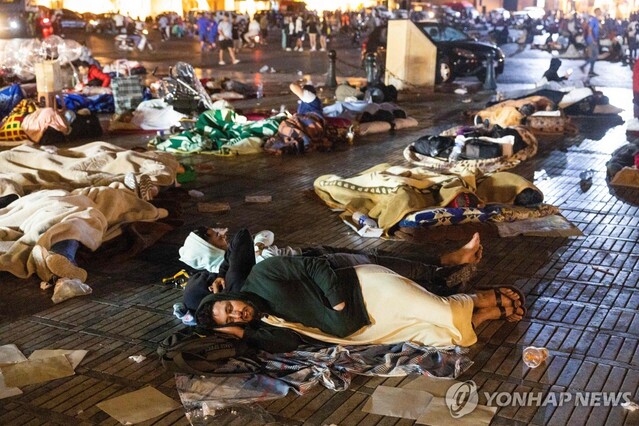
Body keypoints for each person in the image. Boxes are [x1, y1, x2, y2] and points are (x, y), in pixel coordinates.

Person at [195, 256, 525, 354]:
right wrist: (241, 332)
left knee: (440, 311)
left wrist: (336, 301)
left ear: (228, 297)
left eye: (229, 307)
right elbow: (289, 342)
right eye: (230, 319)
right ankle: (487, 313)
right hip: (367, 327)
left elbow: (314, 265)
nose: (237, 313)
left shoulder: (263, 273)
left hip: (367, 289)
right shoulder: (265, 325)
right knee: (437, 337)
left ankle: (479, 298)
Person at [179, 227, 484, 314]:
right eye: (214, 236)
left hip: (315, 257)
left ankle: (448, 262)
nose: (222, 232)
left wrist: (222, 269)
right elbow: (242, 237)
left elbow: (241, 238)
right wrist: (226, 273)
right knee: (384, 266)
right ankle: (446, 272)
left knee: (380, 259)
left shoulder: (229, 275)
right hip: (321, 268)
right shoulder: (235, 281)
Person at [579, 8, 602, 77]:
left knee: (594, 55)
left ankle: (590, 70)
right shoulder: (594, 20)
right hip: (591, 40)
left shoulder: (596, 20)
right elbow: (589, 30)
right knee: (595, 55)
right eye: (599, 11)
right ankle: (584, 67)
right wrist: (593, 40)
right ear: (596, 12)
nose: (600, 12)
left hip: (593, 39)